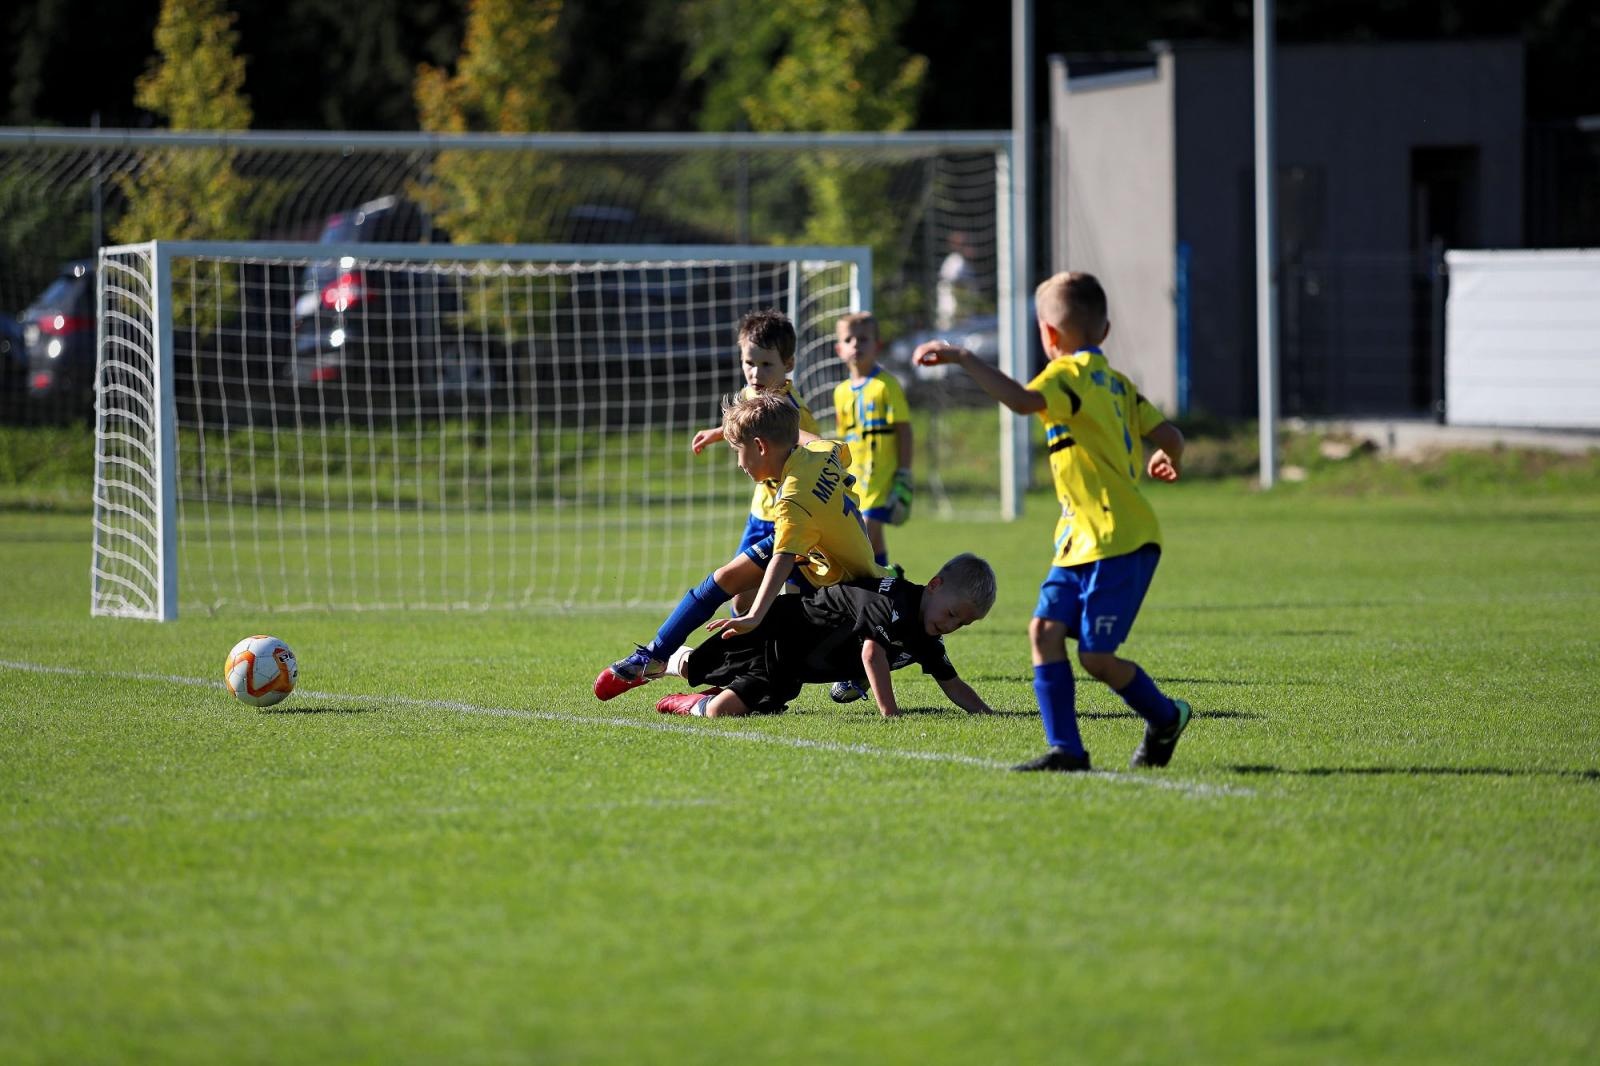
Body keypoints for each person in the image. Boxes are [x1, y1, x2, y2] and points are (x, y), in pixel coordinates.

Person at [913, 271, 1192, 772]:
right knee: (1042, 630)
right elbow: (1169, 433)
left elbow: (1022, 402)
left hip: (1118, 539)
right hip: (1079, 540)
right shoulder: (1121, 385)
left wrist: (962, 357)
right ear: (1104, 331)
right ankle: (1067, 750)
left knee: (1096, 658)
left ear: (1048, 335)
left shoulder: (1070, 376)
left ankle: (1166, 716)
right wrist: (1167, 457)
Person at [594, 388, 888, 701]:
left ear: (760, 446)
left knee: (775, 648)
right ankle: (654, 656)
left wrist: (755, 615)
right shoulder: (822, 451)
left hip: (844, 586)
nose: (738, 463)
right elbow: (821, 445)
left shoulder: (792, 499)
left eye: (738, 450)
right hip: (817, 545)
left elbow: (783, 559)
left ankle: (854, 663)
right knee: (724, 580)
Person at [653, 553, 999, 719]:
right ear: (935, 586)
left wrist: (986, 714)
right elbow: (871, 655)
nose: (951, 625)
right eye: (952, 614)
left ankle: (686, 702)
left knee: (720, 712)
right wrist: (890, 713)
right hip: (776, 632)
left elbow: (952, 683)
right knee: (693, 666)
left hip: (790, 668)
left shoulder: (927, 636)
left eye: (961, 625)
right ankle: (657, 661)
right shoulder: (892, 601)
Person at [688, 309, 822, 613]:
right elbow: (750, 423)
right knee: (742, 596)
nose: (756, 374)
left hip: (794, 516)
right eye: (749, 363)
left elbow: (810, 448)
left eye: (766, 365)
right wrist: (717, 432)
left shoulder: (793, 413)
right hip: (761, 514)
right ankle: (751, 652)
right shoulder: (751, 393)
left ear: (788, 365)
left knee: (798, 596)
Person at [830, 312, 913, 571]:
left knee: (861, 536)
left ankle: (864, 593)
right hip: (856, 479)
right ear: (839, 349)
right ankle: (890, 583)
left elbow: (904, 431)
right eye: (849, 339)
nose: (856, 344)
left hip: (882, 480)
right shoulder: (840, 392)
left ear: (877, 345)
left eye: (863, 339)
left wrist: (904, 474)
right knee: (873, 548)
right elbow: (845, 438)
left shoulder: (886, 385)